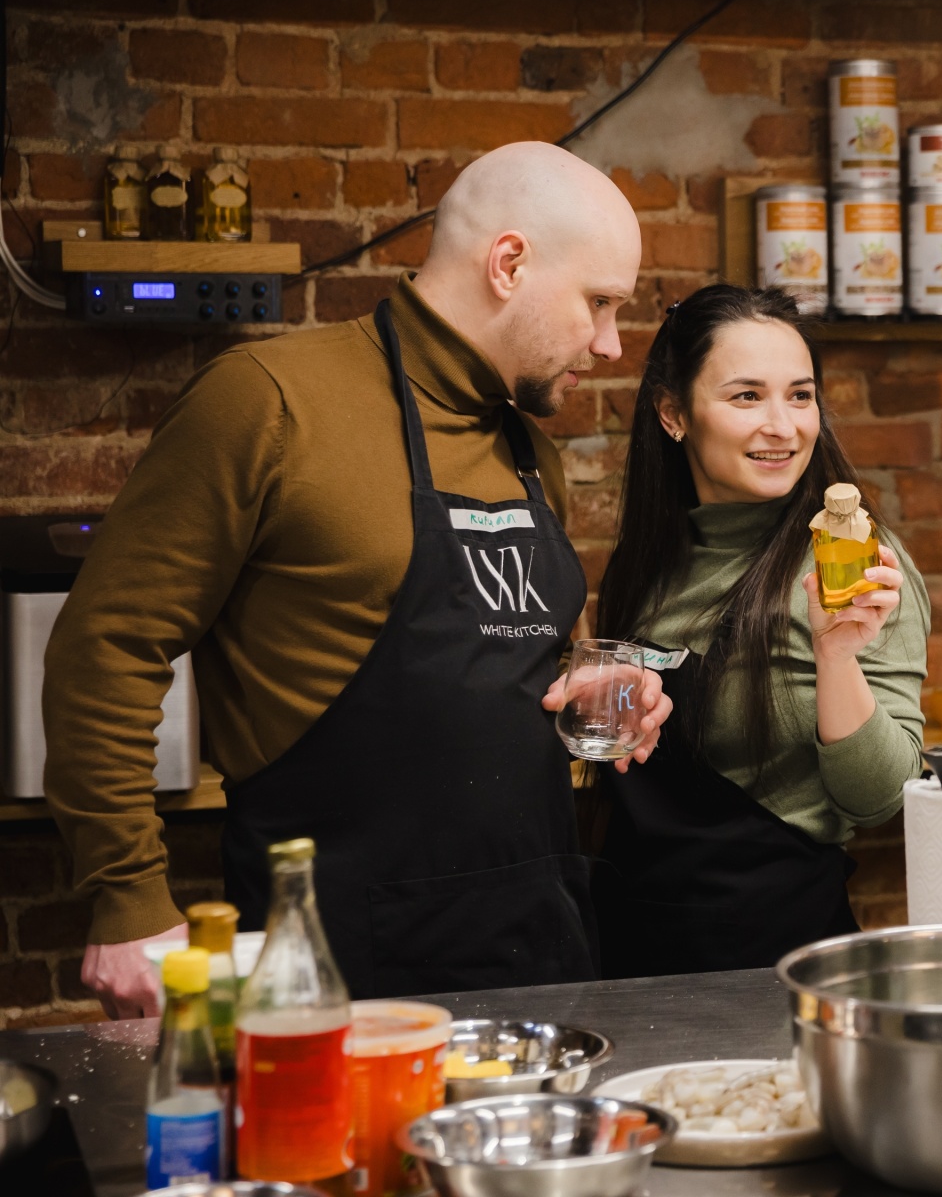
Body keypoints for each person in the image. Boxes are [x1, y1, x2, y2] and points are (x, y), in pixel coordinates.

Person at [44, 141, 671, 1012]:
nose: (609, 345)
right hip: (332, 963)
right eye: (599, 305)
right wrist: (127, 903)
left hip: (537, 946)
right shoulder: (267, 403)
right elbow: (105, 648)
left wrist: (588, 684)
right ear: (510, 263)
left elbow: (489, 663)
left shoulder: (530, 451)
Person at [575, 283, 930, 978]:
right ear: (673, 414)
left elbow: (881, 799)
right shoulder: (646, 564)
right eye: (747, 397)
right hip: (630, 948)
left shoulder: (850, 564)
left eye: (800, 396)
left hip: (771, 964)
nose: (784, 426)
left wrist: (836, 655)